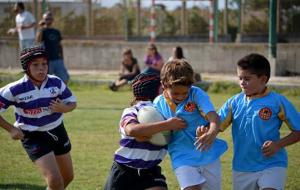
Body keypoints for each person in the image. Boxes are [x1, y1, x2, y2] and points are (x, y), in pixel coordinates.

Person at [214, 53, 300, 190]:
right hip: (242, 167)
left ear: (263, 79)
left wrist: (278, 145)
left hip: (272, 164)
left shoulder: (278, 102)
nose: (242, 82)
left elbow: (298, 130)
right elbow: (215, 126)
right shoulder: (233, 103)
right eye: (240, 78)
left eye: (247, 78)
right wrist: (205, 131)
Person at [0, 45, 77, 190]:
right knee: (55, 180)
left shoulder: (56, 82)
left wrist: (64, 108)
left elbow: (72, 102)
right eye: (35, 65)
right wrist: (11, 129)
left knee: (67, 177)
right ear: (26, 67)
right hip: (32, 136)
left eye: (44, 64)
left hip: (57, 131)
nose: (41, 68)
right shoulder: (14, 89)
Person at [153, 59, 227, 190]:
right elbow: (157, 130)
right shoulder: (158, 103)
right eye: (175, 93)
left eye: (184, 93)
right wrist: (168, 125)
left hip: (207, 154)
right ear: (163, 85)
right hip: (181, 156)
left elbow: (213, 117)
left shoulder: (197, 94)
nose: (181, 97)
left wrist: (210, 132)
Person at [104, 73, 187, 190]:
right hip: (125, 171)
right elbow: (131, 130)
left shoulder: (165, 111)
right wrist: (166, 125)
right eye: (163, 89)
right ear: (156, 90)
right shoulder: (134, 111)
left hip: (150, 171)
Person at [36, 11, 70, 84]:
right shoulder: (42, 31)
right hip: (47, 60)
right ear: (43, 20)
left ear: (52, 20)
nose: (48, 20)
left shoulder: (56, 31)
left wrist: (62, 58)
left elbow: (60, 45)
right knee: (46, 81)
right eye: (46, 19)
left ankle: (60, 94)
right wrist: (40, 28)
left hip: (57, 59)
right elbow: (38, 40)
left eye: (50, 18)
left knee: (65, 78)